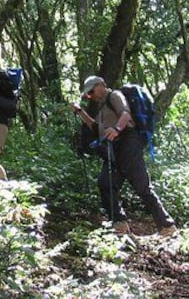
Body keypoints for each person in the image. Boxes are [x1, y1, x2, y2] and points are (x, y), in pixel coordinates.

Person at [71, 76, 176, 235]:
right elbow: (95, 127)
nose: (92, 96)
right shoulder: (101, 109)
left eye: (92, 91)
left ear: (102, 85)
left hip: (129, 142)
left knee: (141, 186)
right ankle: (119, 224)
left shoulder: (115, 96)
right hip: (114, 148)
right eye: (89, 95)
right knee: (106, 183)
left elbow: (125, 114)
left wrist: (117, 129)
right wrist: (80, 112)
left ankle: (167, 226)